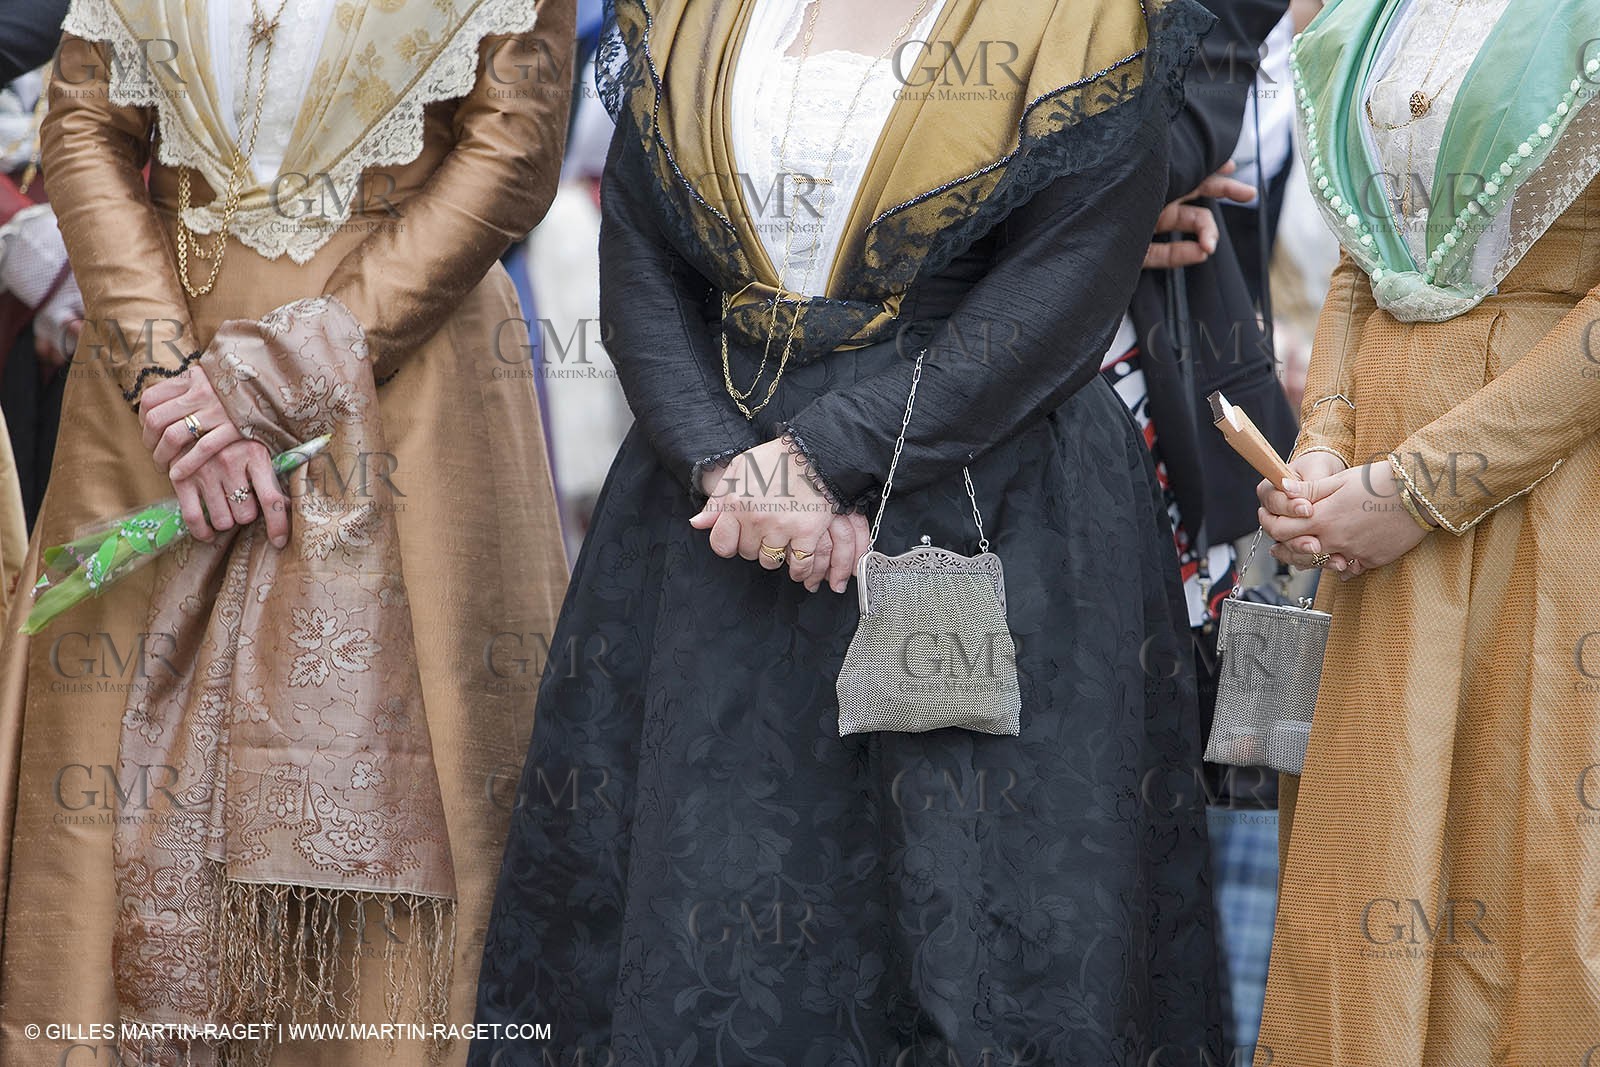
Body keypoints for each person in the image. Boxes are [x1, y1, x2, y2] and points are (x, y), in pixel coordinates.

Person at [472, 0, 1227, 1063]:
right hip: (715, 528)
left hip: (988, 502)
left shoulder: (1085, 17)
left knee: (979, 940)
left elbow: (1063, 285)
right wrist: (723, 459)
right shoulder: (694, 13)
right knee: (706, 924)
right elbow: (640, 252)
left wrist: (820, 456)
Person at [0, 0, 574, 1064]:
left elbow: (512, 149)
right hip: (152, 386)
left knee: (396, 793)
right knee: (106, 785)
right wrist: (170, 376)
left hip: (403, 381)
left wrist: (282, 372)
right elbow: (81, 122)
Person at [1254, 0, 1600, 1062]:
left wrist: (1417, 488)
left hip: (1546, 488)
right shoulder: (1376, 7)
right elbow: (1367, 258)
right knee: (1364, 865)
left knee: (1524, 873)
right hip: (1370, 504)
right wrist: (1321, 445)